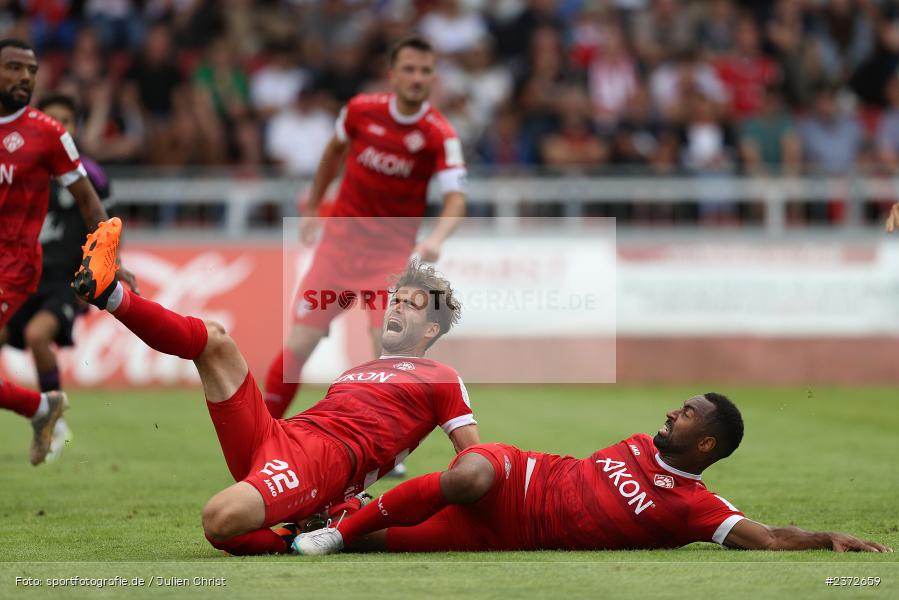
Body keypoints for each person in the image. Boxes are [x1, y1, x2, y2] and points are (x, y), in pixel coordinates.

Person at [71, 218, 479, 556]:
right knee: (215, 340)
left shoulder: (440, 376)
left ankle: (296, 539)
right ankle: (111, 293)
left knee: (219, 519)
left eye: (412, 304)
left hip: (320, 461)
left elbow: (474, 459)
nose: (397, 306)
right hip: (280, 434)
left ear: (430, 328)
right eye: (396, 299)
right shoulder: (359, 370)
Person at [294, 393, 891, 555]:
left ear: (705, 443)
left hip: (507, 536)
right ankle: (335, 531)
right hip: (516, 473)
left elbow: (764, 538)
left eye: (684, 414)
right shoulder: (641, 443)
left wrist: (823, 537)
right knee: (467, 478)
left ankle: (330, 515)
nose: (669, 412)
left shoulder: (693, 507)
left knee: (374, 543)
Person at [262, 35, 467, 428]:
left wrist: (437, 238)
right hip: (337, 251)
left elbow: (456, 198)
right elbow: (331, 154)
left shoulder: (440, 134)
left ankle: (386, 444)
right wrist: (312, 207)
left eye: (425, 71)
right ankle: (259, 433)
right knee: (299, 346)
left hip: (387, 260)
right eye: (409, 69)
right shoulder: (360, 110)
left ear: (433, 78)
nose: (417, 78)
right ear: (391, 75)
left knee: (387, 345)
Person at [0, 38, 135, 466]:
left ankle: (41, 408)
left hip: (17, 265)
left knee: (37, 336)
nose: (25, 77)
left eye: (32, 69)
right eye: (14, 68)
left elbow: (90, 202)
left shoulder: (48, 134)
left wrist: (109, 258)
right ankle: (41, 407)